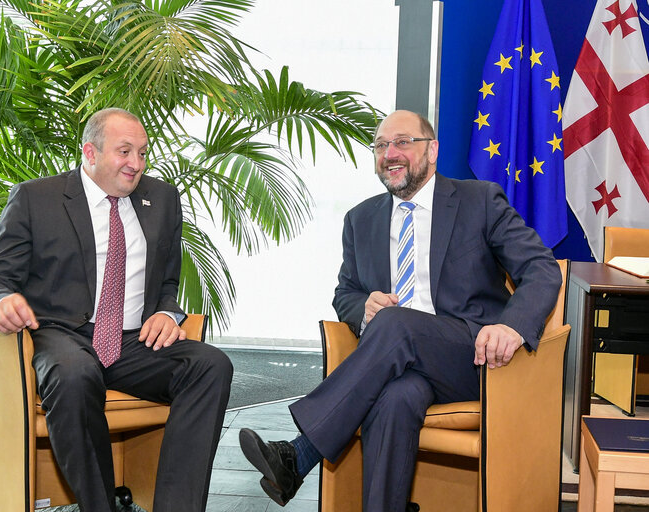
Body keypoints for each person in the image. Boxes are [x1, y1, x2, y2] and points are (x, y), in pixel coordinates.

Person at [238, 110, 561, 511]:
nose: (390, 153)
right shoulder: (361, 220)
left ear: (433, 150)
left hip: (474, 359)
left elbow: (542, 269)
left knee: (396, 325)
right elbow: (346, 293)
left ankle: (301, 451)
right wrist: (362, 307)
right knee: (395, 398)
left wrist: (512, 326)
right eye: (381, 145)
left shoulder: (479, 201)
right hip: (401, 365)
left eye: (403, 142)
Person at [0, 107, 233, 512]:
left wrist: (168, 313)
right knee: (75, 374)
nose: (136, 164)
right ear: (90, 153)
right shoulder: (35, 198)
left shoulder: (162, 199)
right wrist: (0, 303)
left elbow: (168, 282)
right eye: (125, 151)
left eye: (143, 153)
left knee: (210, 365)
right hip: (62, 336)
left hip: (133, 342)